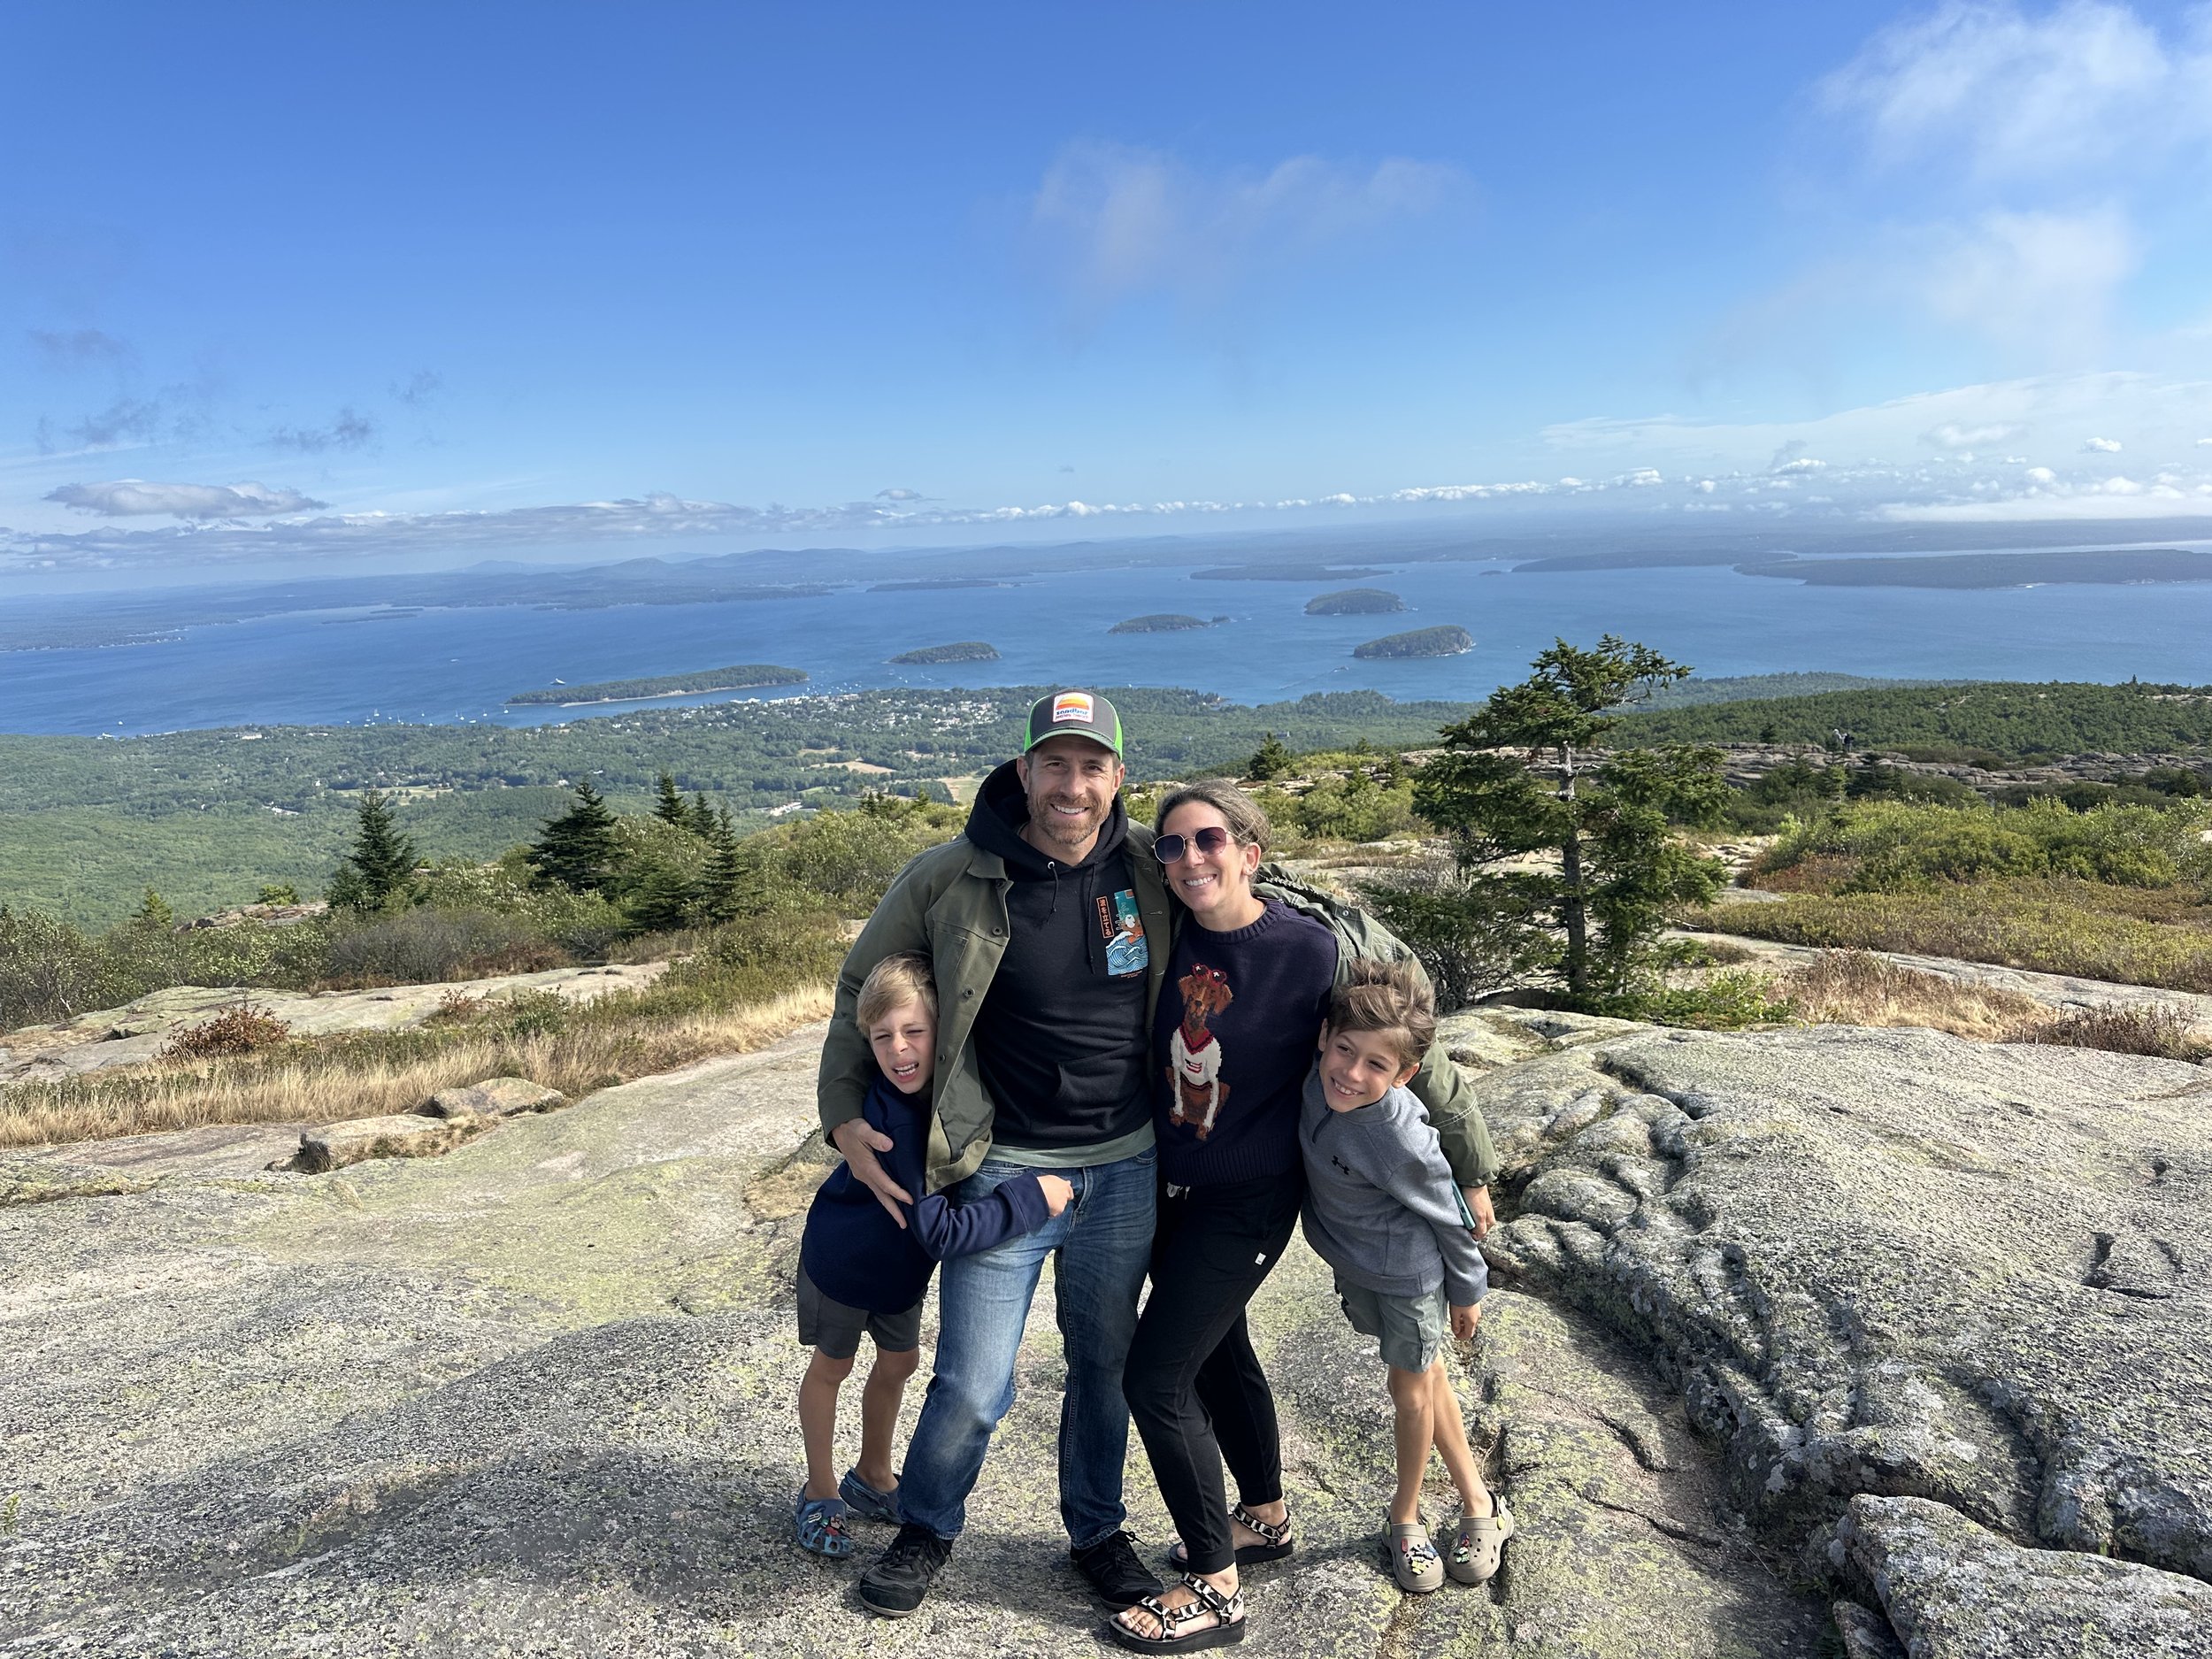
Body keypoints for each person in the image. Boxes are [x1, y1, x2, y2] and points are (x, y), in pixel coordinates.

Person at [1111, 780, 1502, 1651]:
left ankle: (1215, 1585)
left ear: (1251, 853)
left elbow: (1408, 1053)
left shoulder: (1307, 948)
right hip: (1168, 1187)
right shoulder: (1164, 932)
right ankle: (1265, 1520)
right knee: (1217, 1355)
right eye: (1170, 847)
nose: (1189, 860)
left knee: (1153, 1378)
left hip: (1247, 1198)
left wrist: (1469, 1170)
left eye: (1209, 840)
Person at [816, 689, 1173, 1619]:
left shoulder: (1151, 869)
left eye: (1090, 765)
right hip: (1000, 1164)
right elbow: (864, 984)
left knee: (1103, 1365)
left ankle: (1096, 1531)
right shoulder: (951, 876)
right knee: (975, 1383)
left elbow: (1269, 925)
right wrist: (841, 1113)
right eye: (1053, 763)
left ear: (1116, 779)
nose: (1071, 783)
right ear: (1023, 773)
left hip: (1126, 1165)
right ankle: (927, 1525)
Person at [791, 952, 1072, 1558]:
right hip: (844, 1263)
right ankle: (819, 1490)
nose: (898, 1050)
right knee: (831, 1367)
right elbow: (941, 1232)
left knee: (899, 1362)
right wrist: (1030, 1196)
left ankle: (872, 1473)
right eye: (883, 1036)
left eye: (913, 1031)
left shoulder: (940, 1097)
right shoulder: (895, 1126)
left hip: (897, 1275)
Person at [1299, 959, 1512, 1595]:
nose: (1352, 1073)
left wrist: (1468, 1289)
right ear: (1324, 1038)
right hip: (1358, 1264)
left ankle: (1406, 1516)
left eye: (1375, 1065)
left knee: (1410, 1391)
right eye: (1345, 1050)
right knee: (1422, 1377)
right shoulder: (1315, 1081)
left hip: (1409, 1277)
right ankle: (1481, 1501)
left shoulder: (1396, 1131)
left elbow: (1449, 1210)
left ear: (1405, 1076)